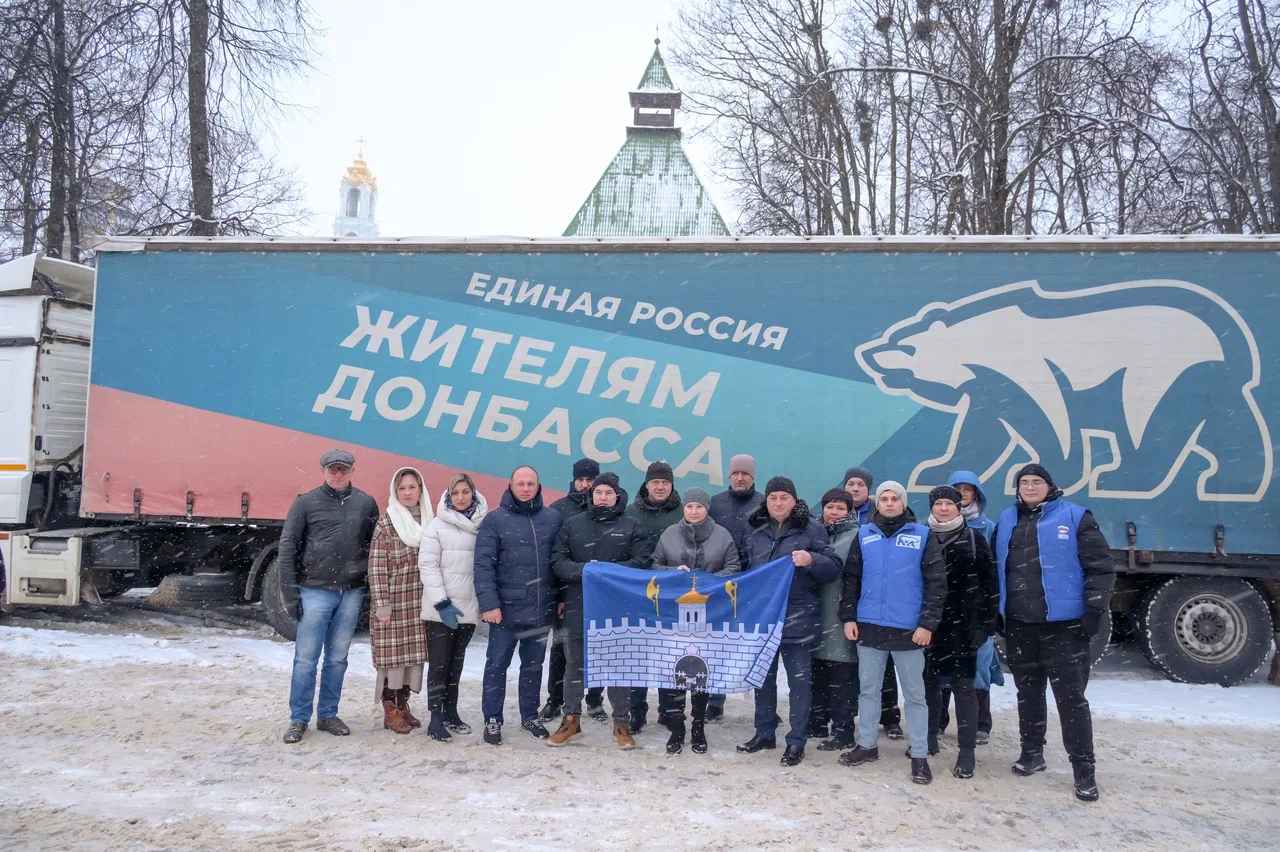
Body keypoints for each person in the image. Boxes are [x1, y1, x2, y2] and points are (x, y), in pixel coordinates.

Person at [995, 464, 1114, 802]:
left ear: (1050, 486)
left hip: (1064, 627)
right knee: (1028, 693)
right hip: (1021, 625)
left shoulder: (1075, 517)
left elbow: (1100, 568)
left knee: (1071, 700)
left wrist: (1093, 610)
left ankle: (1084, 771)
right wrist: (996, 612)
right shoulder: (1006, 519)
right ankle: (1032, 752)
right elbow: (996, 568)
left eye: (1037, 482)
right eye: (1024, 482)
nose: (1030, 487)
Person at [838, 480, 946, 784]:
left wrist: (927, 624)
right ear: (877, 503)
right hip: (870, 626)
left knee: (915, 695)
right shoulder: (864, 534)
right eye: (884, 498)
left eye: (894, 498)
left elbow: (936, 584)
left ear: (903, 503)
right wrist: (849, 617)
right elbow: (851, 579)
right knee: (868, 691)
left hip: (908, 630)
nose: (888, 503)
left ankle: (920, 754)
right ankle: (867, 745)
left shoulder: (922, 535)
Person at [737, 477, 840, 767]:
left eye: (784, 497)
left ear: (794, 501)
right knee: (763, 679)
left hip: (799, 618)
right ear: (766, 501)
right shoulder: (755, 529)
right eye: (773, 498)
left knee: (799, 684)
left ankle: (796, 741)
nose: (778, 503)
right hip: (763, 619)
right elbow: (744, 570)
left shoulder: (812, 529)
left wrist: (811, 560)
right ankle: (764, 732)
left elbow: (833, 567)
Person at [279, 449, 380, 744]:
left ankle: (328, 715)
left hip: (350, 592)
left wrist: (369, 590)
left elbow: (374, 549)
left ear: (352, 471)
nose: (337, 474)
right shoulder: (305, 503)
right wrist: (290, 594)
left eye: (343, 469)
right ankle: (299, 719)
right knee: (306, 659)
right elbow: (288, 547)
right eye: (332, 469)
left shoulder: (365, 503)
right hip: (315, 590)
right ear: (323, 471)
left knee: (337, 659)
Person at [547, 472, 653, 750]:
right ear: (591, 496)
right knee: (574, 665)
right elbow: (558, 561)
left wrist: (608, 572)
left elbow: (643, 561)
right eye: (598, 493)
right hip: (578, 605)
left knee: (618, 666)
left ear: (617, 496)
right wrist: (585, 571)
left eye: (608, 493)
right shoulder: (573, 524)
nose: (602, 497)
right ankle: (571, 720)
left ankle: (621, 724)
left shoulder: (631, 525)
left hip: (617, 608)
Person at [474, 465, 562, 745]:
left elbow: (559, 563)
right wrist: (489, 604)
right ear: (510, 485)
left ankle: (529, 715)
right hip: (505, 611)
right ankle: (492, 718)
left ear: (538, 486)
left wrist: (559, 599)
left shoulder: (552, 519)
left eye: (530, 484)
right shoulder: (495, 520)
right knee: (496, 665)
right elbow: (483, 566)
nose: (525, 488)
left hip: (540, 609)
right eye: (520, 483)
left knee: (533, 666)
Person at [651, 487, 741, 754]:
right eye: (689, 506)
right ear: (683, 508)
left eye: (699, 506)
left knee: (701, 672)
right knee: (673, 672)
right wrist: (673, 572)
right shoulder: (669, 533)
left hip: (709, 614)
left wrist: (708, 581)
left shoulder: (722, 535)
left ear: (707, 509)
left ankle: (698, 726)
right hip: (673, 615)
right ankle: (676, 727)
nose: (694, 511)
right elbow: (654, 566)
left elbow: (734, 567)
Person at [921, 485, 998, 779]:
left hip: (963, 628)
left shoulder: (974, 538)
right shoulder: (922, 536)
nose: (943, 509)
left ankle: (967, 752)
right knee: (928, 686)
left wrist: (986, 624)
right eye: (938, 504)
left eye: (949, 504)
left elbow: (990, 583)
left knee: (965, 690)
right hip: (928, 626)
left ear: (958, 508)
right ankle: (928, 736)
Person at [419, 473, 489, 741]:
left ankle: (451, 712)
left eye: (465, 492)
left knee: (456, 664)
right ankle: (435, 718)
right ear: (448, 496)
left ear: (473, 494)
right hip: (441, 610)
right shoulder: (436, 526)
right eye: (455, 493)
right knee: (439, 664)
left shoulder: (483, 525)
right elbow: (428, 566)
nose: (460, 497)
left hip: (468, 608)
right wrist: (442, 603)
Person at [940, 470, 1005, 744]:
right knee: (941, 666)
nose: (962, 494)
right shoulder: (934, 527)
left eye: (968, 489)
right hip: (944, 609)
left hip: (976, 610)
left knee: (979, 667)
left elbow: (996, 571)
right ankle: (939, 721)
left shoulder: (987, 527)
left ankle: (980, 723)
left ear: (977, 494)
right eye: (957, 489)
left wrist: (993, 610)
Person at [367, 466, 432, 735]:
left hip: (418, 603)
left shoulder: (430, 520)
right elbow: (377, 567)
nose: (407, 493)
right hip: (393, 604)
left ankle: (403, 705)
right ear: (395, 492)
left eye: (412, 487)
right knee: (392, 661)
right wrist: (382, 604)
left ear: (420, 490)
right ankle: (390, 710)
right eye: (402, 488)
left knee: (410, 661)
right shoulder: (387, 523)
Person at [841, 466, 903, 740]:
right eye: (850, 484)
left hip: (882, 602)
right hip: (853, 595)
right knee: (854, 666)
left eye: (860, 485)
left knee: (885, 665)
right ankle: (852, 714)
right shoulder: (836, 510)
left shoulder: (878, 517)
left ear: (869, 491)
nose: (855, 488)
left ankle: (890, 717)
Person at [542, 457, 604, 724]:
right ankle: (555, 700)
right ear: (574, 480)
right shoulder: (558, 510)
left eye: (590, 480)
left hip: (600, 595)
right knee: (561, 650)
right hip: (567, 595)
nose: (585, 485)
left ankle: (594, 700)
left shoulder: (607, 507)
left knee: (600, 649)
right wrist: (558, 596)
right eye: (581, 479)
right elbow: (553, 558)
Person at [624, 460, 683, 733]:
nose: (660, 487)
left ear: (671, 485)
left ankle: (669, 711)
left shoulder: (683, 512)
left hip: (672, 594)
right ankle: (636, 712)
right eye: (655, 482)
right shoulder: (631, 512)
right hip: (638, 593)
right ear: (647, 485)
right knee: (639, 655)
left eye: (665, 482)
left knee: (671, 654)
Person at [706, 453, 763, 722]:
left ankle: (764, 706)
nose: (740, 478)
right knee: (718, 642)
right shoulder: (716, 503)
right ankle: (715, 701)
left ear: (753, 477)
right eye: (736, 474)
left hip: (756, 582)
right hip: (721, 583)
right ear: (729, 476)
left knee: (755, 644)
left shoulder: (765, 502)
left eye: (745, 474)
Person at [810, 488, 860, 752]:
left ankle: (843, 730)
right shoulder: (814, 532)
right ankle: (817, 722)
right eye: (830, 507)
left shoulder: (858, 536)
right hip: (815, 611)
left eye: (841, 508)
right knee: (816, 670)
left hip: (842, 612)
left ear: (850, 511)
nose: (834, 512)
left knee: (842, 673)